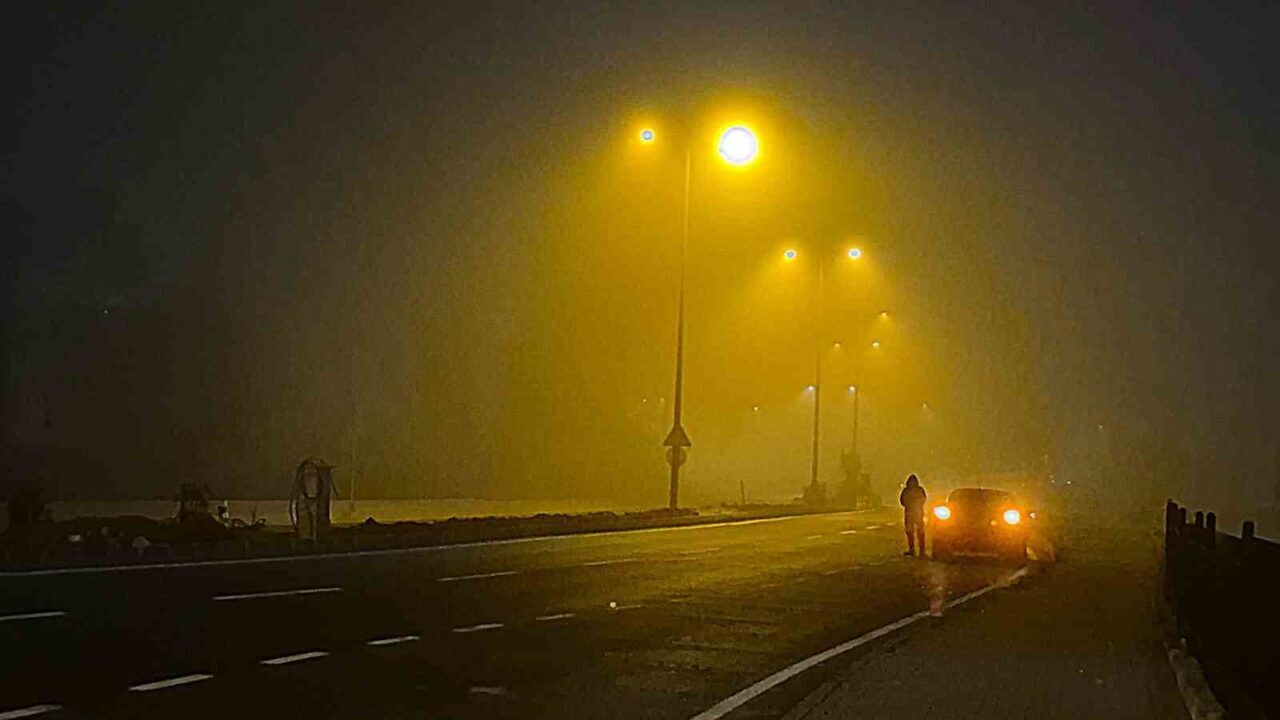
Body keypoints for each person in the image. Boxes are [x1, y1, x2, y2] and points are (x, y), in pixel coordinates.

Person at [899, 474, 927, 556]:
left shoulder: (908, 490)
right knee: (912, 532)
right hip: (913, 513)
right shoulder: (917, 490)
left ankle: (918, 550)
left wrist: (910, 505)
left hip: (913, 512)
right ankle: (916, 549)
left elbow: (902, 500)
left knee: (918, 532)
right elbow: (923, 499)